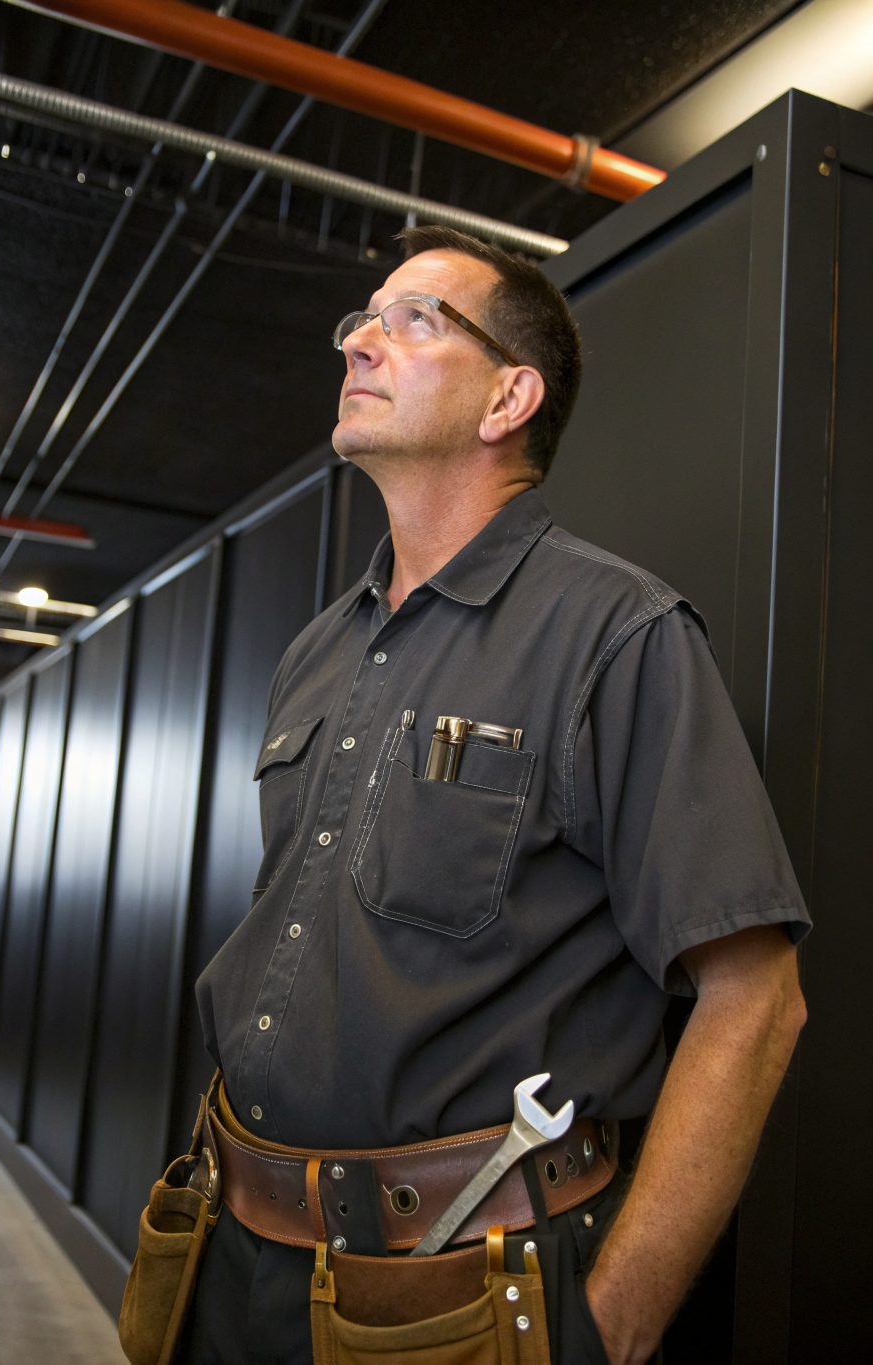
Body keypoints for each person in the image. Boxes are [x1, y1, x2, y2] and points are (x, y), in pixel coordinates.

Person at [185, 226, 809, 1365]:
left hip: (465, 1293)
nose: (361, 342)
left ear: (507, 396)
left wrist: (607, 1326)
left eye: (414, 319)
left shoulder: (618, 637)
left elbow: (756, 1004)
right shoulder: (320, 649)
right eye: (361, 318)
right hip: (232, 1260)